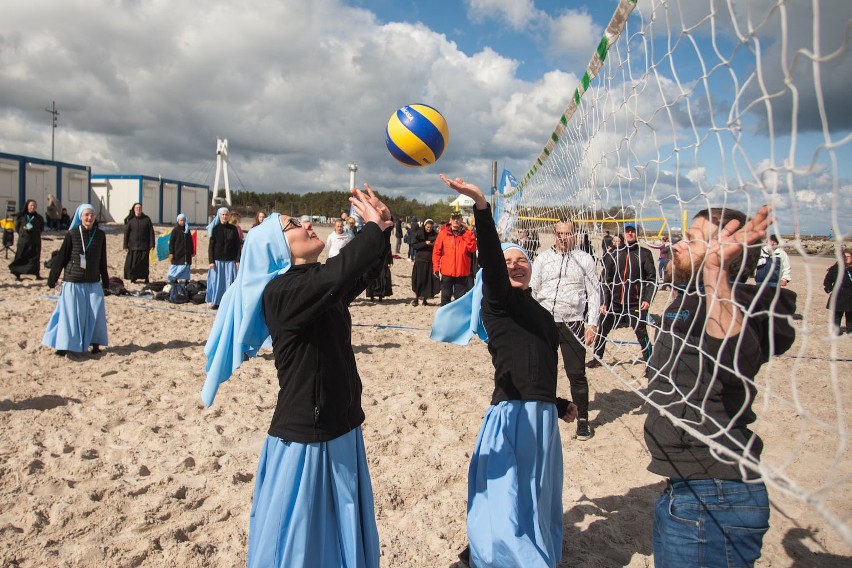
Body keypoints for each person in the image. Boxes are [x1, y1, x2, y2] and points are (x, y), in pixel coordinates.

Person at [200, 184, 392, 568]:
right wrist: (369, 231)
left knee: (335, 540)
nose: (307, 224)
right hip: (308, 436)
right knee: (299, 547)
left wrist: (382, 230)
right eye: (293, 224)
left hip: (339, 426)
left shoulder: (309, 287)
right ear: (275, 248)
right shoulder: (283, 293)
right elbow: (339, 275)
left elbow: (355, 275)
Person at [431, 174, 578, 568]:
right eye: (509, 262)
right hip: (512, 413)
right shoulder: (497, 305)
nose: (515, 266)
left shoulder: (544, 316)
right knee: (504, 497)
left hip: (542, 416)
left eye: (522, 261)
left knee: (533, 496)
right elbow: (493, 265)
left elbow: (540, 365)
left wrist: (559, 402)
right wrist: (481, 205)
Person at [644, 206, 796, 568]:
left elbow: (737, 357)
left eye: (692, 240)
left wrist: (715, 273)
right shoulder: (685, 300)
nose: (678, 245)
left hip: (716, 493)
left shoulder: (738, 302)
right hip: (686, 489)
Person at [531, 219, 600, 441]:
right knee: (542, 371)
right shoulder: (542, 258)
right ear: (554, 235)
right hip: (545, 321)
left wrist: (592, 324)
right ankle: (546, 411)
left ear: (574, 235)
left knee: (576, 373)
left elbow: (594, 293)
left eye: (567, 233)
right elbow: (533, 289)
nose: (563, 237)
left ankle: (582, 420)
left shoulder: (584, 259)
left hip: (574, 322)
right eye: (559, 233)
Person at [42, 204, 110, 356]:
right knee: (70, 315)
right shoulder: (72, 234)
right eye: (86, 215)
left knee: (95, 313)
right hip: (73, 280)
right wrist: (52, 278)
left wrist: (106, 283)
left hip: (93, 281)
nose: (89, 218)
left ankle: (95, 344)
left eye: (92, 215)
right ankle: (62, 346)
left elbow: (102, 261)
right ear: (80, 217)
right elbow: (61, 258)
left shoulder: (100, 235)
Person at [590, 223, 656, 367]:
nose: (630, 233)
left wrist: (647, 299)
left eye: (633, 231)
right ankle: (597, 359)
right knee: (603, 329)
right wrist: (604, 302)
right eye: (628, 231)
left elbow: (652, 279)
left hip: (635, 302)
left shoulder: (644, 253)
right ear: (624, 234)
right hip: (615, 302)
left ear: (636, 233)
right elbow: (606, 279)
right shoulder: (615, 254)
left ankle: (650, 364)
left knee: (641, 333)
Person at [432, 211, 477, 305]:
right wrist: (436, 268)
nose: (456, 220)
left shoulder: (467, 233)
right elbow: (436, 252)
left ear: (461, 220)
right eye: (454, 218)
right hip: (447, 271)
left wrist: (466, 233)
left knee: (459, 299)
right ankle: (445, 318)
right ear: (450, 220)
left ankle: (457, 318)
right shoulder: (443, 234)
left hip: (462, 272)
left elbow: (472, 248)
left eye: (458, 218)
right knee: (445, 297)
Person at [206, 207, 241, 308]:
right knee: (217, 283)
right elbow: (211, 247)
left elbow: (237, 245)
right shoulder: (215, 229)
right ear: (219, 216)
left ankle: (229, 303)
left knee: (230, 282)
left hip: (230, 260)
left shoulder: (233, 229)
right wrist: (211, 261)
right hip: (217, 261)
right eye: (223, 215)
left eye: (226, 215)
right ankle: (216, 302)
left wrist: (237, 259)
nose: (225, 216)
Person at [9, 199, 45, 281]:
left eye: (34, 206)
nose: (33, 207)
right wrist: (23, 231)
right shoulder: (22, 217)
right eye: (31, 205)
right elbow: (17, 228)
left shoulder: (39, 217)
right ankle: (18, 275)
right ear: (27, 206)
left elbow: (41, 228)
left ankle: (37, 274)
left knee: (35, 258)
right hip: (24, 240)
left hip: (35, 240)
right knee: (20, 256)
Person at [410, 218, 440, 306]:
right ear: (424, 226)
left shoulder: (435, 235)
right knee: (419, 280)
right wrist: (424, 243)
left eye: (430, 228)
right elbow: (414, 245)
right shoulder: (419, 233)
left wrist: (432, 245)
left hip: (430, 260)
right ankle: (416, 298)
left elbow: (438, 245)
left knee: (428, 281)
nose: (429, 229)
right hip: (420, 260)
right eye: (427, 227)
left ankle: (425, 299)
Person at [123, 202, 155, 284]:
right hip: (133, 246)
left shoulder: (147, 219)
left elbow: (151, 232)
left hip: (144, 246)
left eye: (140, 208)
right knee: (133, 264)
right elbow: (126, 233)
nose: (138, 209)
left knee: (144, 264)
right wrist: (125, 245)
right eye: (136, 208)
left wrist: (152, 244)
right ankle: (133, 278)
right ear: (134, 209)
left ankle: (146, 278)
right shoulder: (130, 220)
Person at [824, 249, 852, 335]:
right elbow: (828, 280)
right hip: (838, 293)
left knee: (850, 314)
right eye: (844, 257)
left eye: (848, 256)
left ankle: (850, 330)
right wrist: (829, 290)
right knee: (837, 314)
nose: (846, 258)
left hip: (850, 293)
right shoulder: (835, 268)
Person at [167, 214, 194, 282]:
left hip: (186, 253)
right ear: (178, 221)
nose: (182, 222)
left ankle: (184, 281)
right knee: (176, 267)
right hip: (177, 253)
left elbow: (190, 241)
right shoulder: (175, 230)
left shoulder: (187, 230)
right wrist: (171, 252)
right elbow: (171, 242)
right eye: (181, 220)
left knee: (186, 266)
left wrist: (192, 251)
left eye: (184, 220)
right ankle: (172, 278)